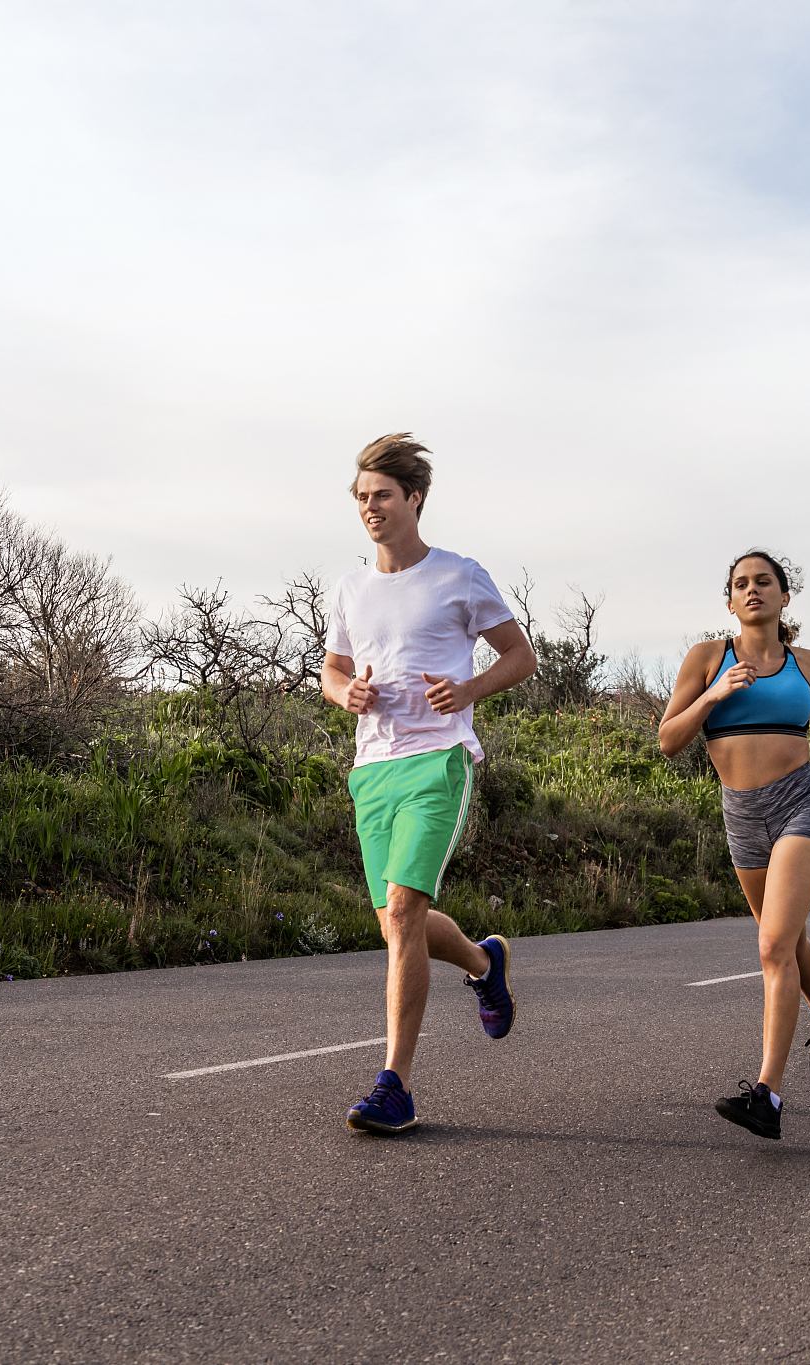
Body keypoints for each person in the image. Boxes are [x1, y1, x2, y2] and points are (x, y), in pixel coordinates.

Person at [321, 433, 538, 1135]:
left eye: (382, 495)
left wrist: (468, 688)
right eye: (360, 497)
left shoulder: (459, 575)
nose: (369, 508)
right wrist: (343, 693)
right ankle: (483, 960)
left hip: (438, 759)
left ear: (415, 498)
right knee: (393, 920)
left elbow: (521, 655)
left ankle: (396, 1085)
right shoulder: (351, 587)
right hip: (372, 768)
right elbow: (333, 670)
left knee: (406, 911)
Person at [657, 550, 810, 1140]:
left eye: (763, 582)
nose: (752, 591)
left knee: (773, 944)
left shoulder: (807, 662)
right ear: (729, 601)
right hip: (741, 815)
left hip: (801, 803)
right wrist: (713, 695)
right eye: (741, 584)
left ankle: (766, 1094)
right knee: (787, 942)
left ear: (783, 596)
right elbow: (669, 740)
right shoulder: (707, 658)